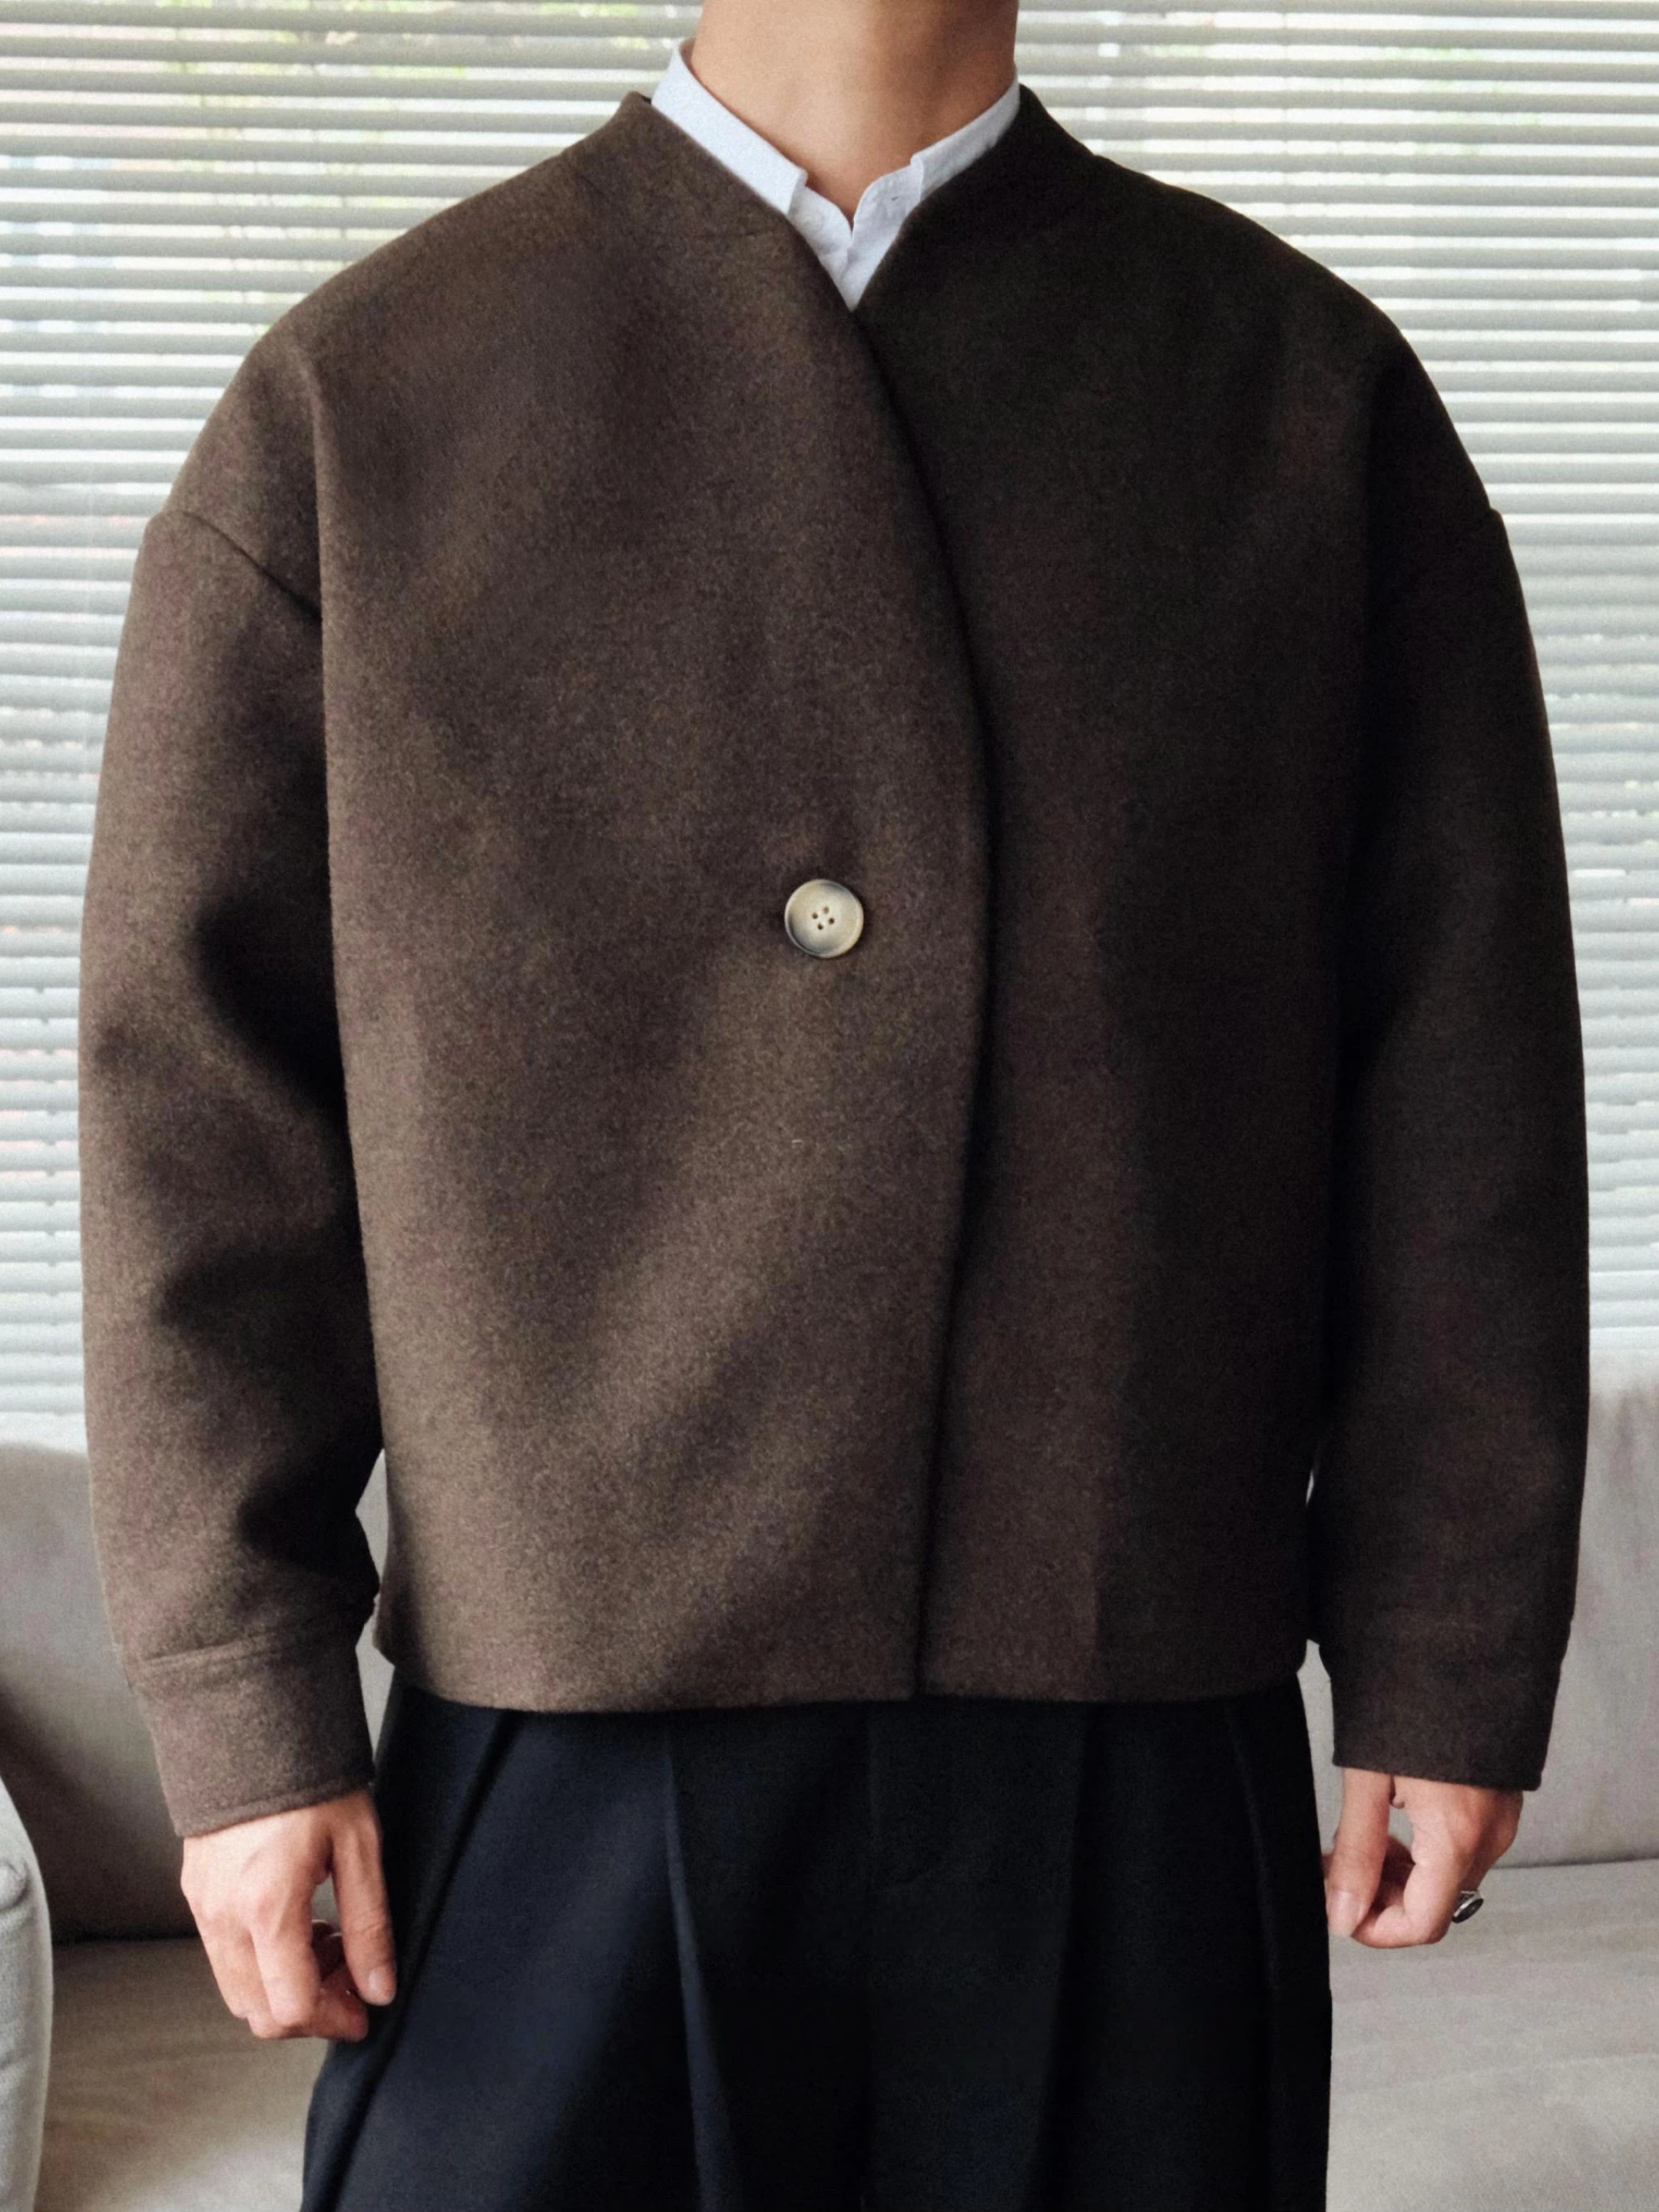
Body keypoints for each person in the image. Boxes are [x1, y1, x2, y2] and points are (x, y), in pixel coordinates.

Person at [75, 2, 1590, 2207]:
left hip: (1132, 1730)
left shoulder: (1298, 401)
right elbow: (203, 1130)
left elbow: (1462, 1097)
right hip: (552, 1741)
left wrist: (1447, 1646)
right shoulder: (366, 404)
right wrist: (244, 1701)